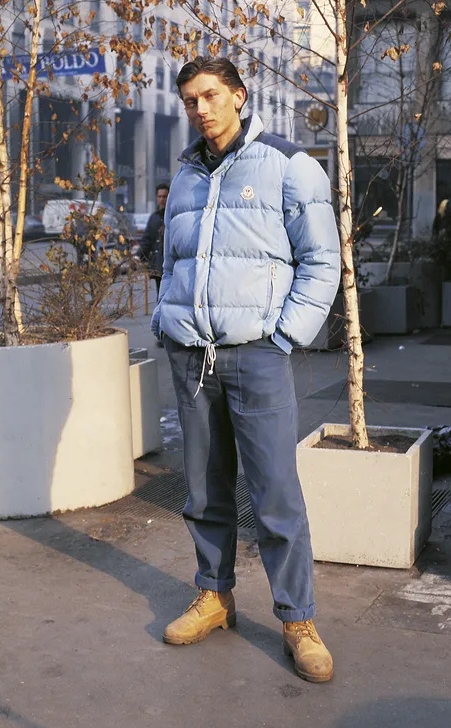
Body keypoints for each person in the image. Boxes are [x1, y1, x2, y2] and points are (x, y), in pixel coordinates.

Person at [151, 57, 341, 683]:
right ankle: (215, 595)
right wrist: (165, 319)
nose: (200, 109)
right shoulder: (184, 173)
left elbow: (321, 261)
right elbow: (172, 259)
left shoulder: (287, 164)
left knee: (275, 496)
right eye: (189, 100)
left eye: (209, 95)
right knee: (204, 490)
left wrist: (284, 337)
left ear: (238, 95)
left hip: (257, 354)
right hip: (192, 355)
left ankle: (297, 619)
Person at [139, 183, 170, 299]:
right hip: (158, 264)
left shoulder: (174, 215)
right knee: (160, 296)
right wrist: (139, 256)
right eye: (160, 197)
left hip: (172, 264)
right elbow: (147, 239)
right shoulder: (154, 218)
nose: (162, 200)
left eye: (164, 196)